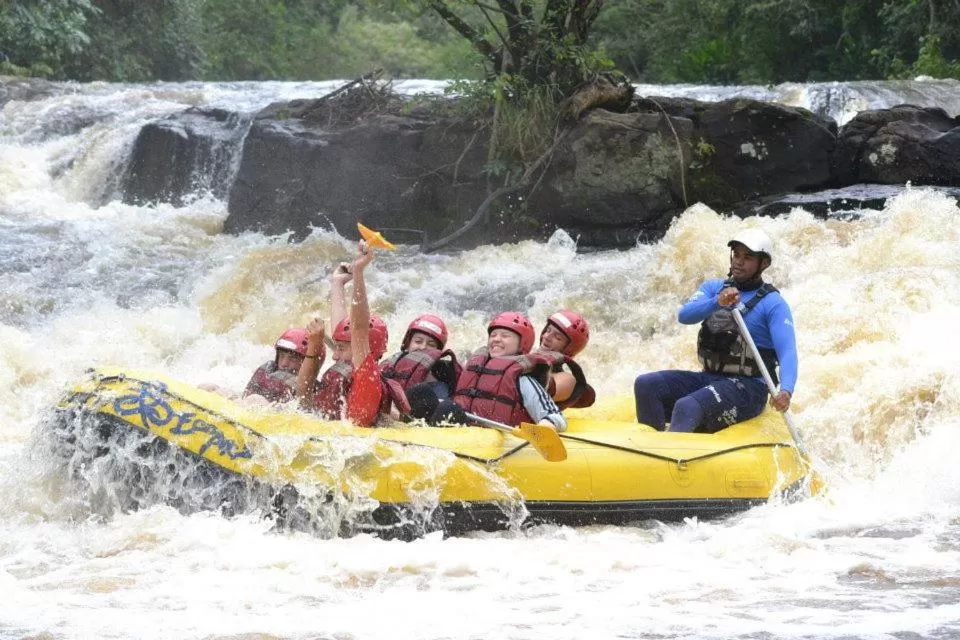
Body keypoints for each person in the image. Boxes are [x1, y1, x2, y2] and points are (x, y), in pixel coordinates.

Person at [633, 228, 797, 433]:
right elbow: (684, 315)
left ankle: (672, 448)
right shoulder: (714, 289)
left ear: (763, 263)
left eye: (747, 257)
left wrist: (786, 391)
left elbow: (787, 352)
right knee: (646, 385)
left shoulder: (773, 303)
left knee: (687, 406)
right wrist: (717, 302)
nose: (738, 261)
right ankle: (651, 444)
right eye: (736, 254)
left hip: (749, 388)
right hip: (710, 378)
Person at [296, 241, 408, 426]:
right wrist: (338, 284)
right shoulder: (351, 369)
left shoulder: (367, 376)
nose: (334, 355)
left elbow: (359, 328)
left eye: (340, 348)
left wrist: (358, 272)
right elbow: (344, 329)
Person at [427, 312, 568, 431]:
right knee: (422, 393)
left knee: (448, 408)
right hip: (462, 430)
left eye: (505, 336)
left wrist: (546, 426)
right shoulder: (474, 368)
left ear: (522, 344)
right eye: (493, 335)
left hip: (493, 441)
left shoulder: (523, 380)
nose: (496, 339)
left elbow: (555, 416)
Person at [381, 314, 461, 409]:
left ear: (438, 351)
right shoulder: (393, 363)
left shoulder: (444, 376)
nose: (423, 347)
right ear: (408, 344)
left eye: (431, 344)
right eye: (418, 341)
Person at [536, 309, 595, 409]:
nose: (546, 337)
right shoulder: (523, 357)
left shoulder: (566, 379)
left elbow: (539, 389)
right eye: (548, 330)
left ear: (568, 349)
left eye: (557, 337)